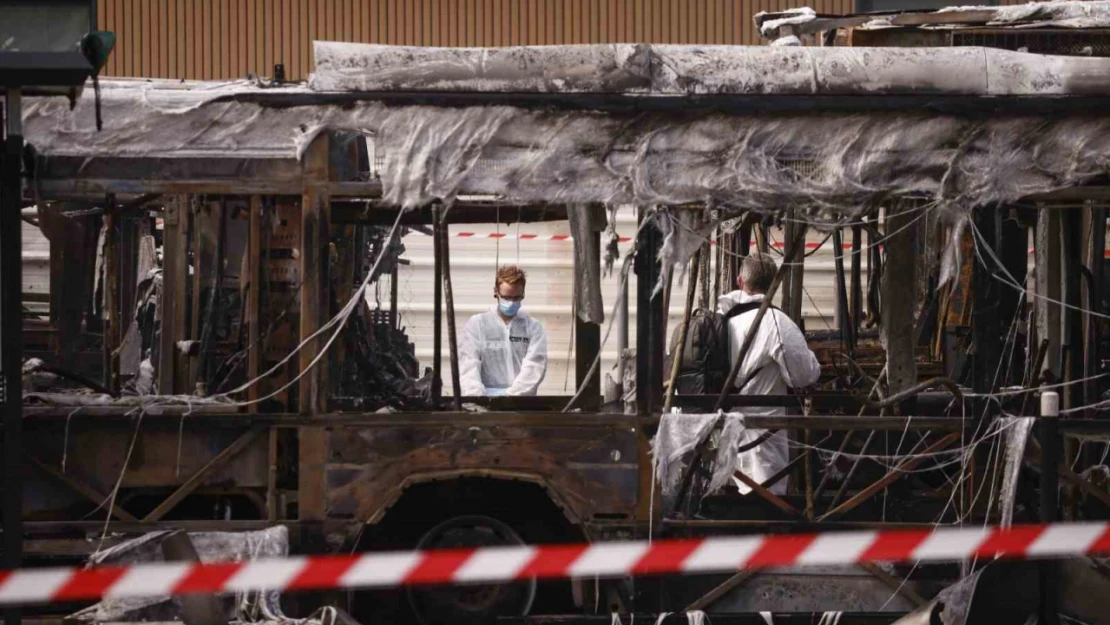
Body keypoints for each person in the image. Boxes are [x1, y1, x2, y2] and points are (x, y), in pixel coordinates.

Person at [717, 253, 821, 495]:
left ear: (740, 281)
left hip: (722, 437)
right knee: (765, 510)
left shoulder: (721, 320)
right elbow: (804, 376)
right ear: (776, 284)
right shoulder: (776, 322)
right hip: (762, 441)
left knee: (724, 511)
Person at [459, 265, 548, 397]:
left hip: (521, 404)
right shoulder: (478, 324)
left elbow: (534, 366)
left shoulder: (533, 327)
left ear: (523, 294)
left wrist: (512, 396)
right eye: (506, 297)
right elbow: (468, 365)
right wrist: (478, 398)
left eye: (517, 298)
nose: (511, 302)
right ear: (496, 292)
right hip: (484, 403)